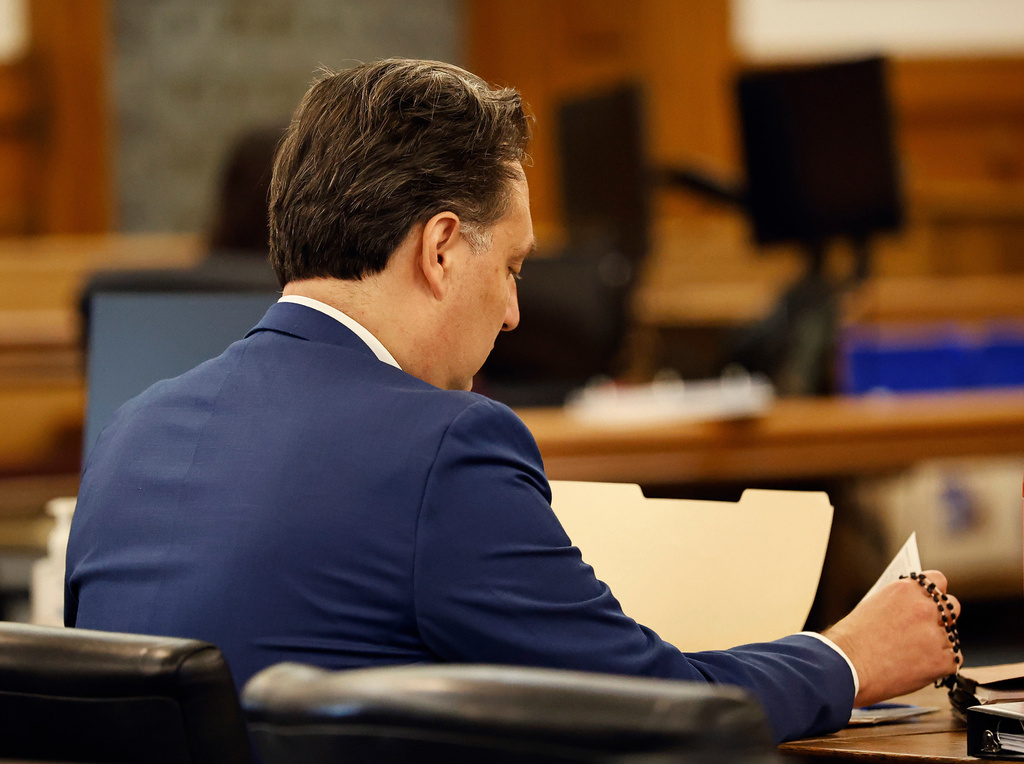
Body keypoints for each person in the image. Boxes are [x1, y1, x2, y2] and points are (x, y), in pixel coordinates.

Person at [65, 59, 960, 744]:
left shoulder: (130, 433)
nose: (516, 309)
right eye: (513, 266)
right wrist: (849, 657)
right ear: (443, 249)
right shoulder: (443, 447)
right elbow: (655, 711)